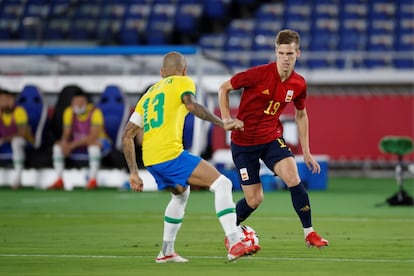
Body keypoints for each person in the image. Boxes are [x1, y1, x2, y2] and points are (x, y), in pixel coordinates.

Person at [121, 51, 258, 263]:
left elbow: (127, 135)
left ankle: (166, 251)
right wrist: (223, 123)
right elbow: (192, 106)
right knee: (222, 184)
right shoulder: (183, 82)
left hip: (151, 159)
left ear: (161, 73)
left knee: (180, 195)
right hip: (170, 155)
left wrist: (133, 173)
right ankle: (234, 241)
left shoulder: (148, 94)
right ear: (184, 70)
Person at [218, 29, 329, 248]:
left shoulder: (299, 84)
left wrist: (306, 150)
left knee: (293, 178)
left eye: (290, 53)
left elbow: (301, 114)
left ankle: (310, 233)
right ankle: (232, 231)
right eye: (281, 53)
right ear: (276, 52)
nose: (285, 58)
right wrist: (226, 118)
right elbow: (224, 88)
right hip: (244, 143)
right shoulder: (258, 74)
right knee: (254, 200)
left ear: (298, 53)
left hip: (271, 139)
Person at [47, 89, 111, 190]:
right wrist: (64, 143)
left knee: (93, 147)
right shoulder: (69, 112)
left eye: (81, 102)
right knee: (57, 147)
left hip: (100, 142)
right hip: (78, 144)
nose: (78, 105)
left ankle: (93, 180)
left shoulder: (95, 112)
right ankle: (59, 179)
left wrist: (72, 145)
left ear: (86, 103)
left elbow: (93, 136)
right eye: (76, 103)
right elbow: (66, 133)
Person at [0, 88, 34, 189]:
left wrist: (5, 139)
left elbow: (22, 134)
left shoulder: (19, 111)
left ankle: (18, 179)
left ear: (10, 99)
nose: (1, 103)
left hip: (25, 143)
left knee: (17, 142)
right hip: (5, 142)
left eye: (3, 100)